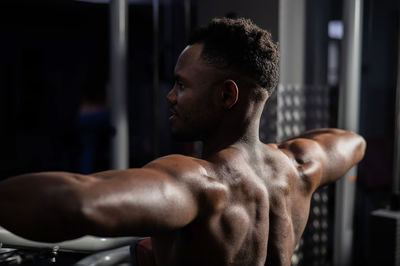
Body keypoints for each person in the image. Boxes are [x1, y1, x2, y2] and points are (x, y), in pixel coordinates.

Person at [0, 18, 365, 266]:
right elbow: (353, 142)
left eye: (182, 84)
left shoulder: (199, 184)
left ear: (226, 95)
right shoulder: (299, 168)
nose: (170, 96)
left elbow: (78, 202)